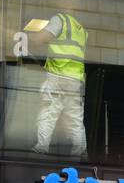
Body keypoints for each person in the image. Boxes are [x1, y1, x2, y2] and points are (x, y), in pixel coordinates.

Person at [27, 12, 88, 157]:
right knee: (75, 118)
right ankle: (80, 152)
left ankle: (41, 147)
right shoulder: (81, 30)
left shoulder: (60, 20)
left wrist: (28, 36)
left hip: (58, 74)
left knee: (49, 112)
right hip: (76, 79)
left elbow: (40, 39)